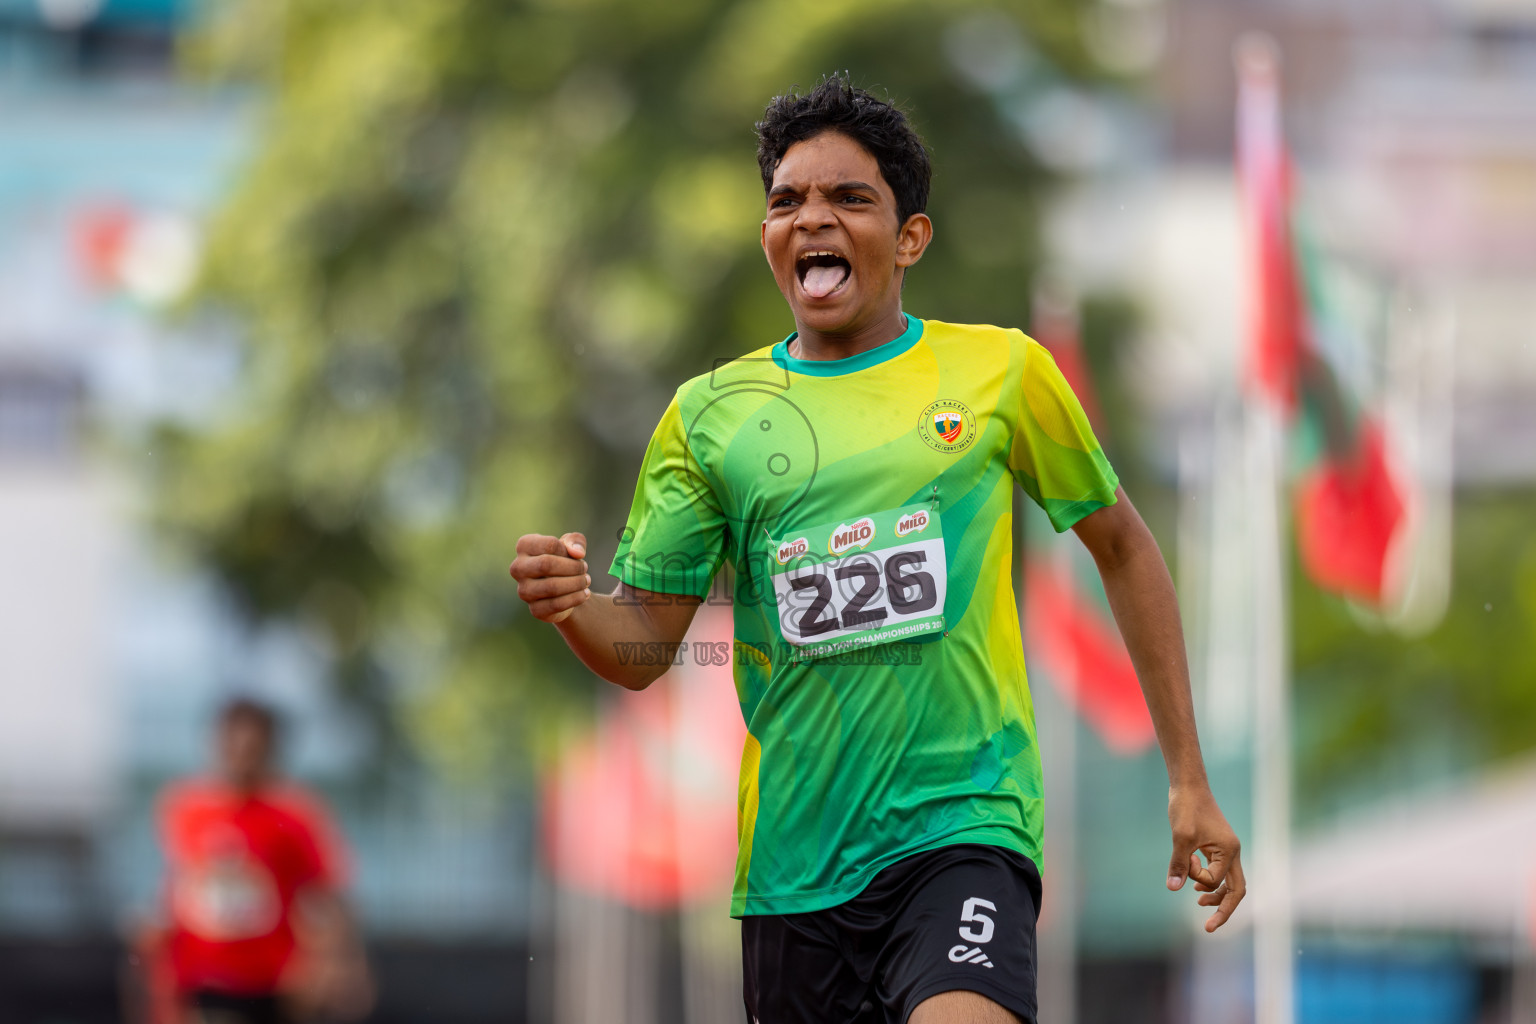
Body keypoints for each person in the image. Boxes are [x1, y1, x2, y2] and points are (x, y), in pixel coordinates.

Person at [510, 74, 1244, 1024]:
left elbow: (1124, 549)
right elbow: (643, 646)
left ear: (910, 238)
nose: (813, 218)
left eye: (850, 198)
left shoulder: (1003, 372)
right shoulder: (709, 417)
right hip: (794, 872)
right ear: (768, 235)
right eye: (788, 201)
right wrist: (573, 606)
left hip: (965, 829)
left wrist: (1188, 778)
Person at [136, 698, 372, 1024]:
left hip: (274, 980)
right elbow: (179, 884)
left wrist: (341, 962)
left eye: (253, 747)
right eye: (233, 745)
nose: (242, 756)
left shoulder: (294, 816)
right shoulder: (186, 808)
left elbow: (327, 893)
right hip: (204, 975)